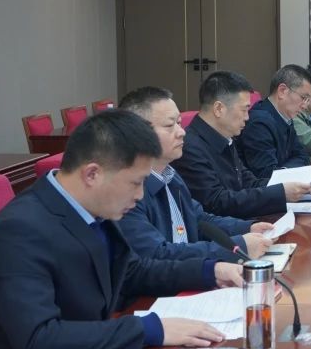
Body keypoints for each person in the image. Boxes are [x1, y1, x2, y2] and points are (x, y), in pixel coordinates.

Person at [0, 111, 244, 349]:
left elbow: (131, 271)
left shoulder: (92, 207)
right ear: (92, 174)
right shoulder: (20, 231)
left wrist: (209, 270)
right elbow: (39, 341)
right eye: (135, 183)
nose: (140, 195)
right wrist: (146, 329)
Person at [118, 86, 275, 262]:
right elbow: (158, 255)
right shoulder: (128, 193)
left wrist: (249, 228)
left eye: (179, 123)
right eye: (170, 125)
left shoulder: (171, 175)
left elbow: (199, 219)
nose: (182, 132)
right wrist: (237, 247)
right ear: (137, 133)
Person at [174, 71, 311, 219]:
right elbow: (217, 203)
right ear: (219, 109)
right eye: (244, 110)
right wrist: (280, 193)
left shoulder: (224, 137)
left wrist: (299, 185)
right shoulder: (189, 148)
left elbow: (249, 182)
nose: (247, 117)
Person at [236, 65, 311, 180]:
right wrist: (290, 172)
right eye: (303, 98)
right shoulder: (258, 123)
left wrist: (284, 171)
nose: (305, 106)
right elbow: (267, 174)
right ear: (282, 91)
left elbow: (302, 156)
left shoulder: (285, 116)